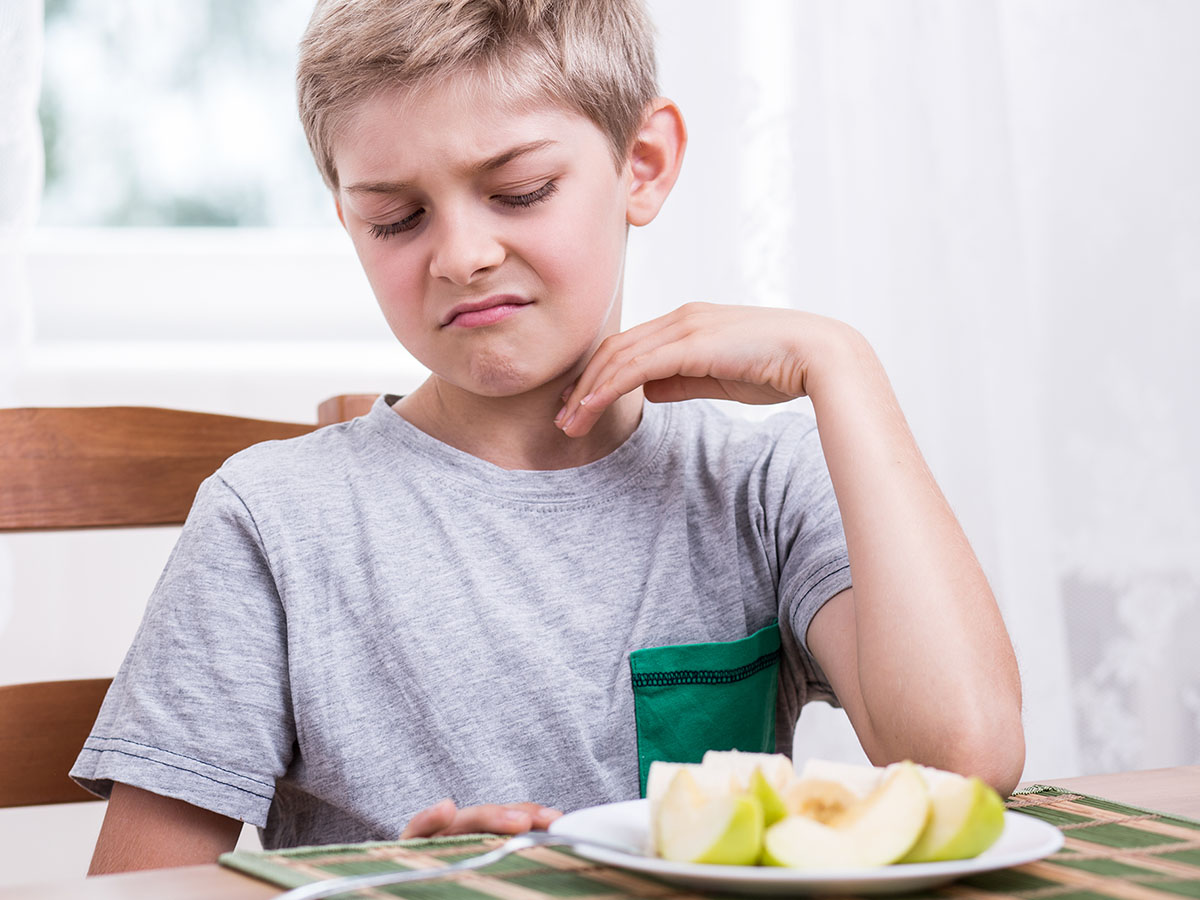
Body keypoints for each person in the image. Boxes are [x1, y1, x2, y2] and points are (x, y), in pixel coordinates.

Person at [74, 0, 1025, 874]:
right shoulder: (273, 519)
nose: (462, 256)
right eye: (396, 218)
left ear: (641, 164)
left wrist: (842, 368)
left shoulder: (760, 482)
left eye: (520, 190)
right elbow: (134, 889)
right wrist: (373, 884)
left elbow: (965, 761)